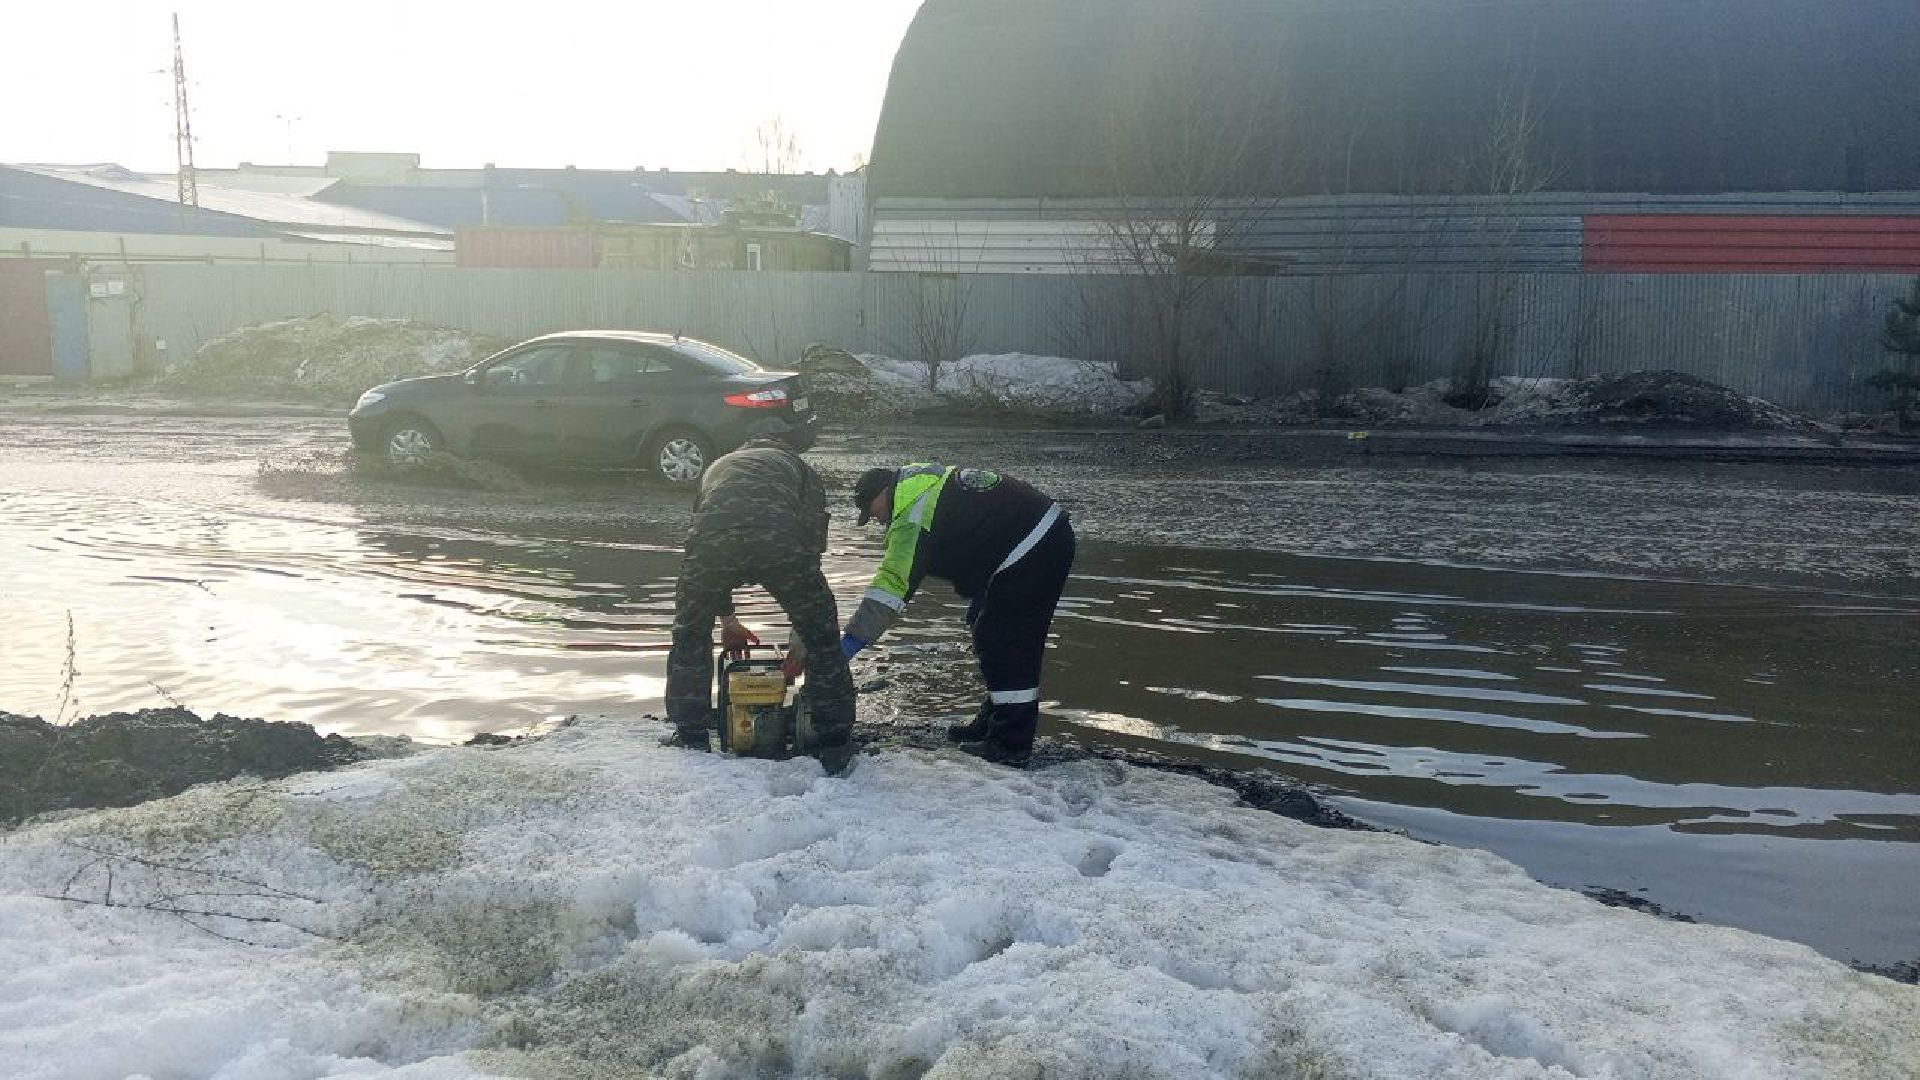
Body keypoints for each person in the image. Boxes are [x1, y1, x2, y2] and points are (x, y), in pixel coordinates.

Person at [841, 463, 1075, 766]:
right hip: (1028, 544)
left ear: (883, 493)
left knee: (1005, 640)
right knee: (984, 626)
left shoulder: (912, 514)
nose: (876, 520)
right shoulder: (919, 483)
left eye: (873, 512)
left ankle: (1010, 745)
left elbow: (891, 587)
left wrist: (848, 645)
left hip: (1035, 548)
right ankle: (993, 722)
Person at [663, 435, 856, 771]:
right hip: (780, 541)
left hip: (712, 546)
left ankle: (690, 733)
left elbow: (706, 535)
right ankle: (834, 741)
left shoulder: (718, 466)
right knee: (824, 640)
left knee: (690, 634)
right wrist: (803, 630)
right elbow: (811, 545)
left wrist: (727, 620)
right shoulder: (801, 470)